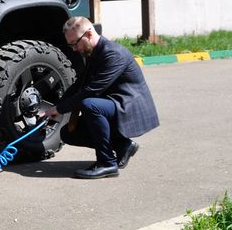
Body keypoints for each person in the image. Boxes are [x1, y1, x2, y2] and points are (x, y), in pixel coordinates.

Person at [43, 16, 159, 179]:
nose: (74, 49)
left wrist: (60, 109)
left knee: (90, 104)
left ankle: (107, 163)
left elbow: (91, 91)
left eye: (75, 43)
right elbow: (79, 85)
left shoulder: (113, 54)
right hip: (113, 104)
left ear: (89, 34)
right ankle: (123, 145)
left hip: (129, 106)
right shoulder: (93, 52)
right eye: (71, 45)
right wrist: (55, 108)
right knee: (69, 133)